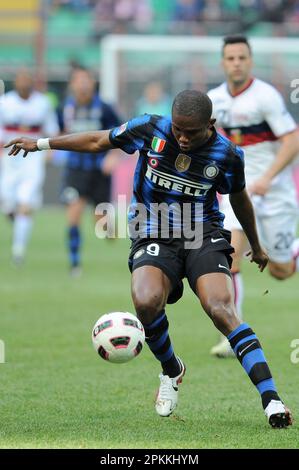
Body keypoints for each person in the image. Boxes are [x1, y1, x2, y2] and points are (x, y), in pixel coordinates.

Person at [4, 89, 293, 428]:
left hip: (202, 234)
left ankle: (271, 399)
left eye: (192, 132)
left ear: (210, 124)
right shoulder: (150, 129)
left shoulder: (227, 154)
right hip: (152, 232)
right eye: (178, 130)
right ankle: (172, 370)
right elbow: (100, 141)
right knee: (145, 302)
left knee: (220, 308)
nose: (183, 138)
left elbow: (239, 198)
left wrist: (256, 245)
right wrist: (41, 143)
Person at [208, 35, 299, 358]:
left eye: (241, 58)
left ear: (250, 61)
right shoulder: (213, 100)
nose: (236, 63)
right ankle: (236, 333)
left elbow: (293, 140)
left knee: (280, 271)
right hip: (238, 192)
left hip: (274, 193)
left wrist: (266, 179)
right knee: (230, 255)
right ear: (223, 62)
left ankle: (293, 251)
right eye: (230, 58)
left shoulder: (266, 97)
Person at [58, 68, 122, 276]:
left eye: (87, 80)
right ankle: (75, 264)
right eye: (79, 80)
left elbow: (120, 134)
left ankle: (112, 232)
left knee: (103, 227)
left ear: (93, 83)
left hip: (99, 172)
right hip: (75, 171)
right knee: (74, 214)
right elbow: (59, 132)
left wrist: (112, 157)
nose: (83, 84)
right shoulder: (64, 108)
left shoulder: (104, 109)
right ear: (72, 84)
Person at [0, 68, 59, 264]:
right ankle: (17, 223)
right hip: (8, 159)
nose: (24, 84)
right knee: (8, 204)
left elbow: (52, 130)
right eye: (21, 80)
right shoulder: (5, 102)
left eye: (27, 80)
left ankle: (18, 250)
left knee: (25, 203)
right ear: (15, 82)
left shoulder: (42, 103)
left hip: (32, 160)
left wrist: (49, 152)